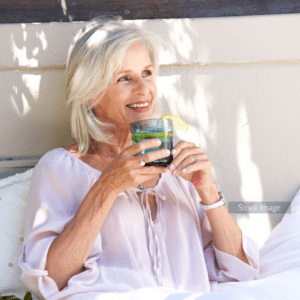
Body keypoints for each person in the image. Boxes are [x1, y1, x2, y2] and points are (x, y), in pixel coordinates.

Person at [19, 16, 259, 300]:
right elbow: (48, 281)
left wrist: (207, 191)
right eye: (124, 78)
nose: (144, 90)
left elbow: (243, 271)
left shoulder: (176, 167)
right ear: (91, 93)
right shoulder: (60, 168)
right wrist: (107, 187)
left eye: (146, 73)